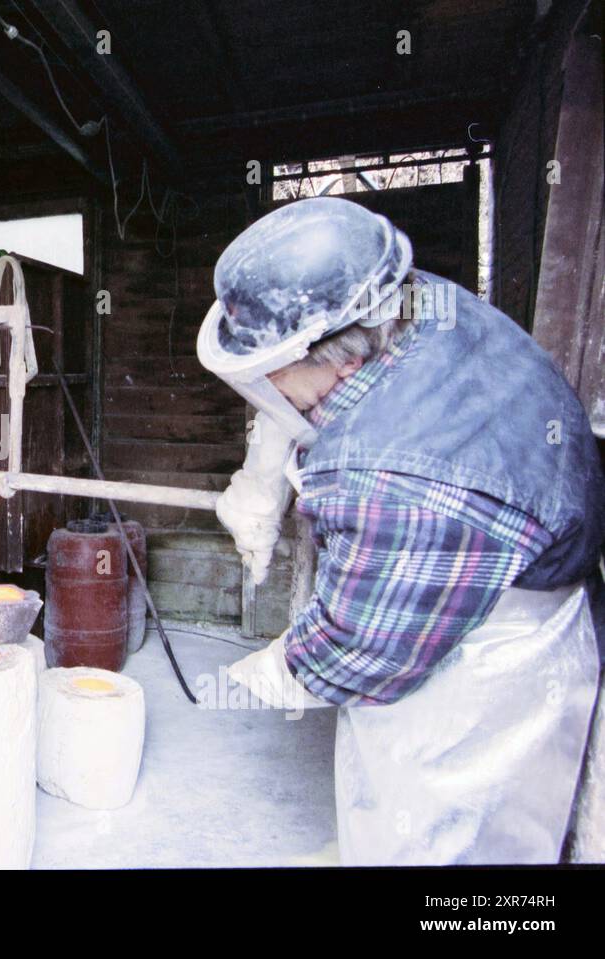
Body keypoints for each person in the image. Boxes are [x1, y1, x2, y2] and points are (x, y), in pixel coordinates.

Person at [197, 196, 605, 864]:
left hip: (498, 658)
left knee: (450, 840)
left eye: (272, 371)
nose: (267, 385)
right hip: (507, 554)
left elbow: (359, 649)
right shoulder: (405, 303)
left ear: (337, 359)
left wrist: (272, 670)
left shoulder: (394, 478)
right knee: (391, 812)